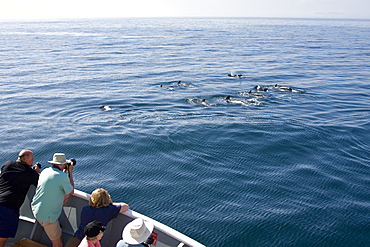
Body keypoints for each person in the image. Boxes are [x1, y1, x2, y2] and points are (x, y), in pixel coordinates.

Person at [31, 153, 75, 247]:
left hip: (36, 209)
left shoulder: (45, 171)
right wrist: (70, 172)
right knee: (58, 244)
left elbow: (54, 180)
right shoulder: (62, 177)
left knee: (64, 196)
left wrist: (64, 171)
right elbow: (71, 191)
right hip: (48, 217)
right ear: (63, 165)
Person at [0, 150, 40, 247]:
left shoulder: (7, 164)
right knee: (2, 238)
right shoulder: (30, 174)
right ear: (25, 159)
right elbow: (40, 184)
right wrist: (37, 173)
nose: (33, 161)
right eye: (31, 159)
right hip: (9, 208)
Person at [65, 188, 129, 247]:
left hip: (76, 239)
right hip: (92, 242)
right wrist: (110, 204)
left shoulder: (85, 209)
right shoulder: (108, 211)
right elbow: (125, 206)